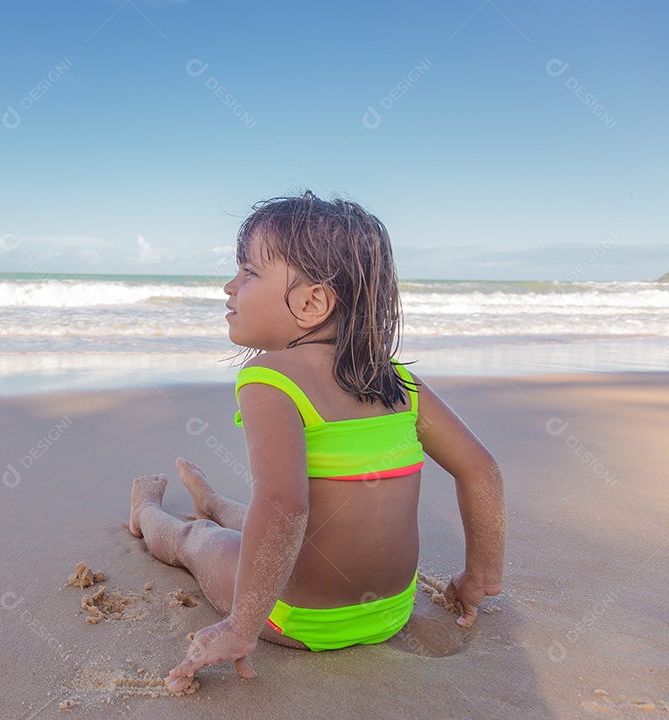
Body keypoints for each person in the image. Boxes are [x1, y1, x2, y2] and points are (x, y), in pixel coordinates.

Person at [126, 192, 506, 694]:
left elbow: (283, 505)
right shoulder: (397, 382)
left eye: (247, 273)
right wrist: (480, 575)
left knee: (195, 542)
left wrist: (241, 628)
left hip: (299, 618)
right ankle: (217, 504)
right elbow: (481, 471)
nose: (229, 286)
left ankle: (146, 513)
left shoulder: (269, 377)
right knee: (275, 522)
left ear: (312, 302)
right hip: (390, 611)